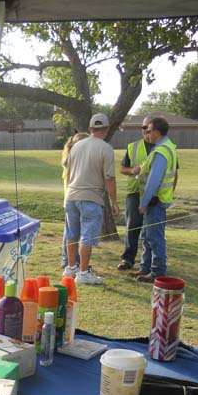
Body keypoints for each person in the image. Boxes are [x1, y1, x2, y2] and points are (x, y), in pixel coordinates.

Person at [62, 114, 119, 285]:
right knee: (87, 235)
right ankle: (83, 272)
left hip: (71, 195)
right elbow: (109, 178)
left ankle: (71, 267)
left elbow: (69, 174)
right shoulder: (106, 148)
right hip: (91, 197)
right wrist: (114, 202)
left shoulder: (76, 146)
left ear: (90, 129)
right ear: (107, 129)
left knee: (71, 234)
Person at [130, 116, 178, 283]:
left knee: (154, 238)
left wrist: (143, 203)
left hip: (155, 202)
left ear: (157, 132)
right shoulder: (166, 147)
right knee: (147, 235)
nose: (146, 134)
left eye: (149, 131)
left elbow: (154, 180)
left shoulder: (161, 151)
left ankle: (157, 272)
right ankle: (145, 268)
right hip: (155, 201)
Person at [117, 116, 154, 271]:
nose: (145, 131)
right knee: (132, 227)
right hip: (135, 193)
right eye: (143, 128)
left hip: (155, 195)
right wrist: (132, 170)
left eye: (148, 128)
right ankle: (128, 259)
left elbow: (174, 172)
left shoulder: (164, 147)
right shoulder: (133, 147)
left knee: (151, 229)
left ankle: (150, 263)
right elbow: (122, 168)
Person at [60, 132, 88, 269]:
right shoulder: (71, 160)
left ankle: (73, 260)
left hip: (73, 199)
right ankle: (67, 261)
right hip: (72, 199)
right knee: (70, 232)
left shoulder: (74, 158)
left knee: (74, 232)